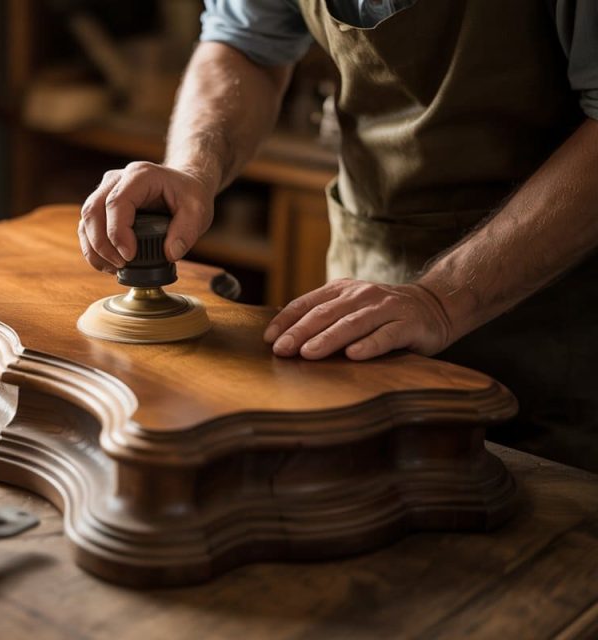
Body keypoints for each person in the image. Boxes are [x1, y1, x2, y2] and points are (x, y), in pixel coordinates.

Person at [78, 0, 598, 471]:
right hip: (368, 288)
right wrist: (193, 169)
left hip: (553, 316)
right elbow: (245, 46)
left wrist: (441, 301)